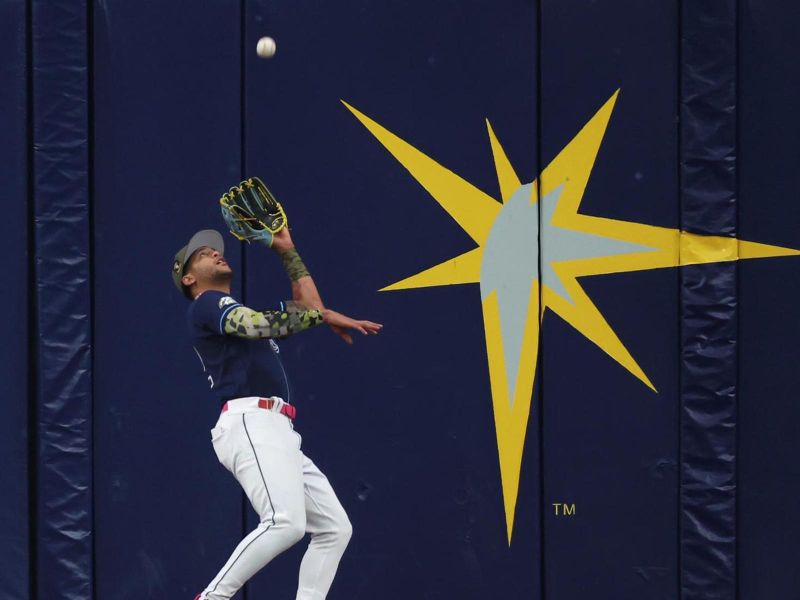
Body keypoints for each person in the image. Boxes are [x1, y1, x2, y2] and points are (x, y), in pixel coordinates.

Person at [171, 226, 382, 600]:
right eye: (204, 255)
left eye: (216, 251)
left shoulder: (231, 310)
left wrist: (287, 250)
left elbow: (309, 309)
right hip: (251, 420)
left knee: (334, 528)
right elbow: (261, 325)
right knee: (285, 522)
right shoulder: (205, 304)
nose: (217, 254)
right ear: (189, 278)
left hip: (277, 429)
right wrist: (320, 315)